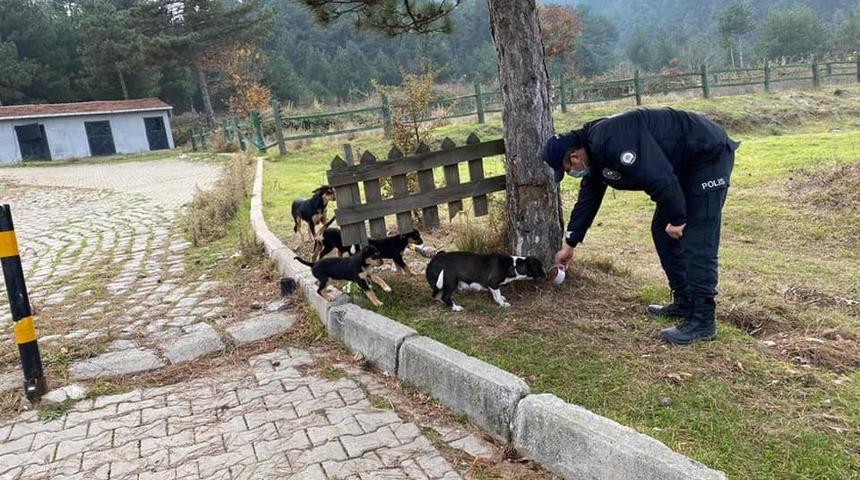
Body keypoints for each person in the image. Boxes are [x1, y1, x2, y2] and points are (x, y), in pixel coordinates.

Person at [542, 108, 740, 345]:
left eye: (567, 169)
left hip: (708, 154)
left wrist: (678, 219)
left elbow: (658, 177)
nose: (572, 172)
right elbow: (589, 197)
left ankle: (703, 320)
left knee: (697, 237)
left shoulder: (609, 139)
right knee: (661, 231)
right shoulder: (594, 151)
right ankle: (684, 301)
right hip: (682, 165)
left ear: (573, 157)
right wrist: (570, 243)